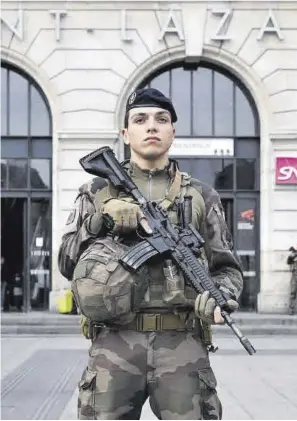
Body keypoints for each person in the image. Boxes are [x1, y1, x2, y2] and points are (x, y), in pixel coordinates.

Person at [58, 87, 244, 420]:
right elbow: (66, 261)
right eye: (140, 119)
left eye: (161, 119)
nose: (152, 126)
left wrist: (221, 299)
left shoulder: (201, 195)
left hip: (182, 343)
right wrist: (101, 223)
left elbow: (227, 269)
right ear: (126, 134)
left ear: (173, 130)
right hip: (114, 342)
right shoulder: (96, 191)